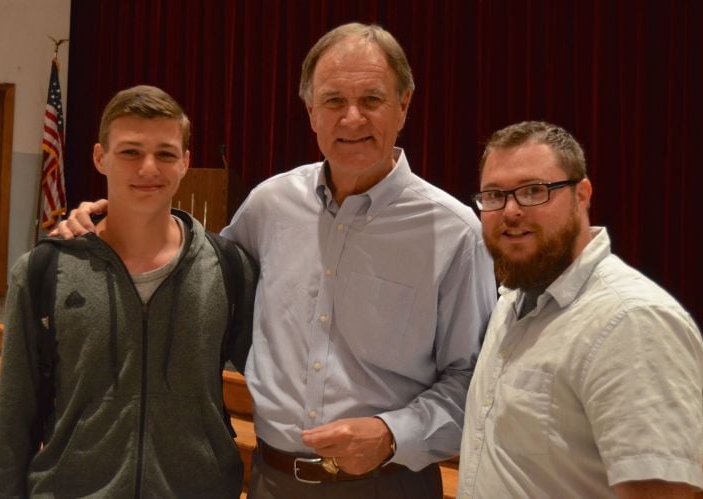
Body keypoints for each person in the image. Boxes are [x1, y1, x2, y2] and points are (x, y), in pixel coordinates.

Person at [53, 23, 498, 498]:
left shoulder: (455, 233)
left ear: (404, 105)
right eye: (333, 100)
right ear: (310, 111)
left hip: (389, 483)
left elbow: (475, 382)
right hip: (272, 479)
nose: (352, 118)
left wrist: (392, 435)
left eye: (371, 99)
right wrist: (110, 224)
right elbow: (193, 274)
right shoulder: (270, 205)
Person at [0, 85, 257, 498]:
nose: (148, 168)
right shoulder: (44, 270)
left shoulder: (228, 268)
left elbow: (277, 381)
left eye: (165, 153)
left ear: (185, 162)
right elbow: (13, 417)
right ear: (100, 157)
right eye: (130, 152)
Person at [458, 120, 703, 498]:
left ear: (582, 195)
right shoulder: (513, 298)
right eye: (494, 195)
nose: (510, 211)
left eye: (533, 191)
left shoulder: (632, 320)